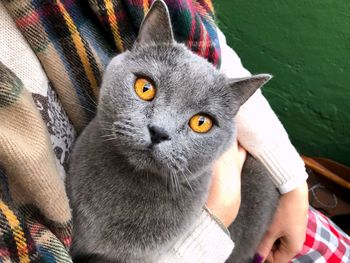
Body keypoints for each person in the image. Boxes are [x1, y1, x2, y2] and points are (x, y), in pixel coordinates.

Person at [0, 1, 348, 262]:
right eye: (146, 90)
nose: (159, 128)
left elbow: (214, 51)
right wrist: (215, 216)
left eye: (199, 123)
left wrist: (292, 181)